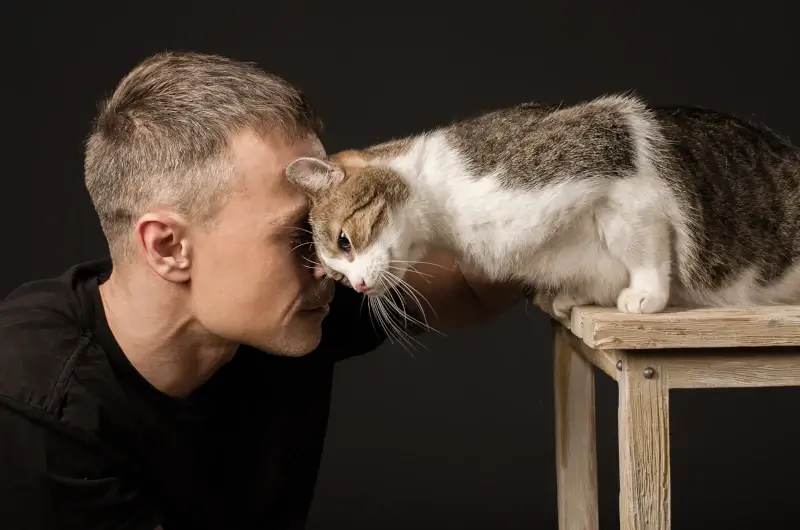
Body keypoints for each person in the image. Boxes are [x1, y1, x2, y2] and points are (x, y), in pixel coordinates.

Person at [0, 51, 524, 530]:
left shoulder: (292, 299)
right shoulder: (35, 418)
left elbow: (477, 281)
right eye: (300, 234)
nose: (328, 264)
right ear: (167, 247)